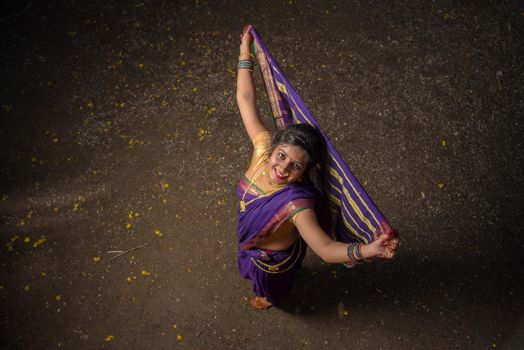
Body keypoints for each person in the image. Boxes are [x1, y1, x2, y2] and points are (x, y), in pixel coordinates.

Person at [236, 26, 400, 310]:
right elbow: (245, 99)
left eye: (296, 165)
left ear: (304, 172)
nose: (283, 168)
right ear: (274, 148)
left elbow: (325, 249)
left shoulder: (297, 205)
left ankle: (268, 298)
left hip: (274, 263)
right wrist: (245, 51)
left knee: (268, 291)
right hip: (251, 246)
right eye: (282, 155)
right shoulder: (262, 150)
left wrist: (370, 250)